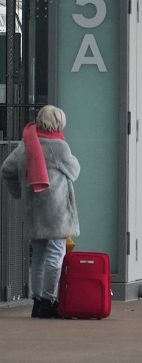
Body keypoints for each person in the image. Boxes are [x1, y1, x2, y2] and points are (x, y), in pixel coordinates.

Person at [1, 105, 79, 318]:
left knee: (38, 256)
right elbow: (74, 170)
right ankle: (49, 300)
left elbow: (7, 169)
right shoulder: (58, 146)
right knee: (56, 253)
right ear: (57, 123)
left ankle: (37, 302)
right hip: (56, 211)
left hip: (34, 208)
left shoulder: (27, 144)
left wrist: (19, 192)